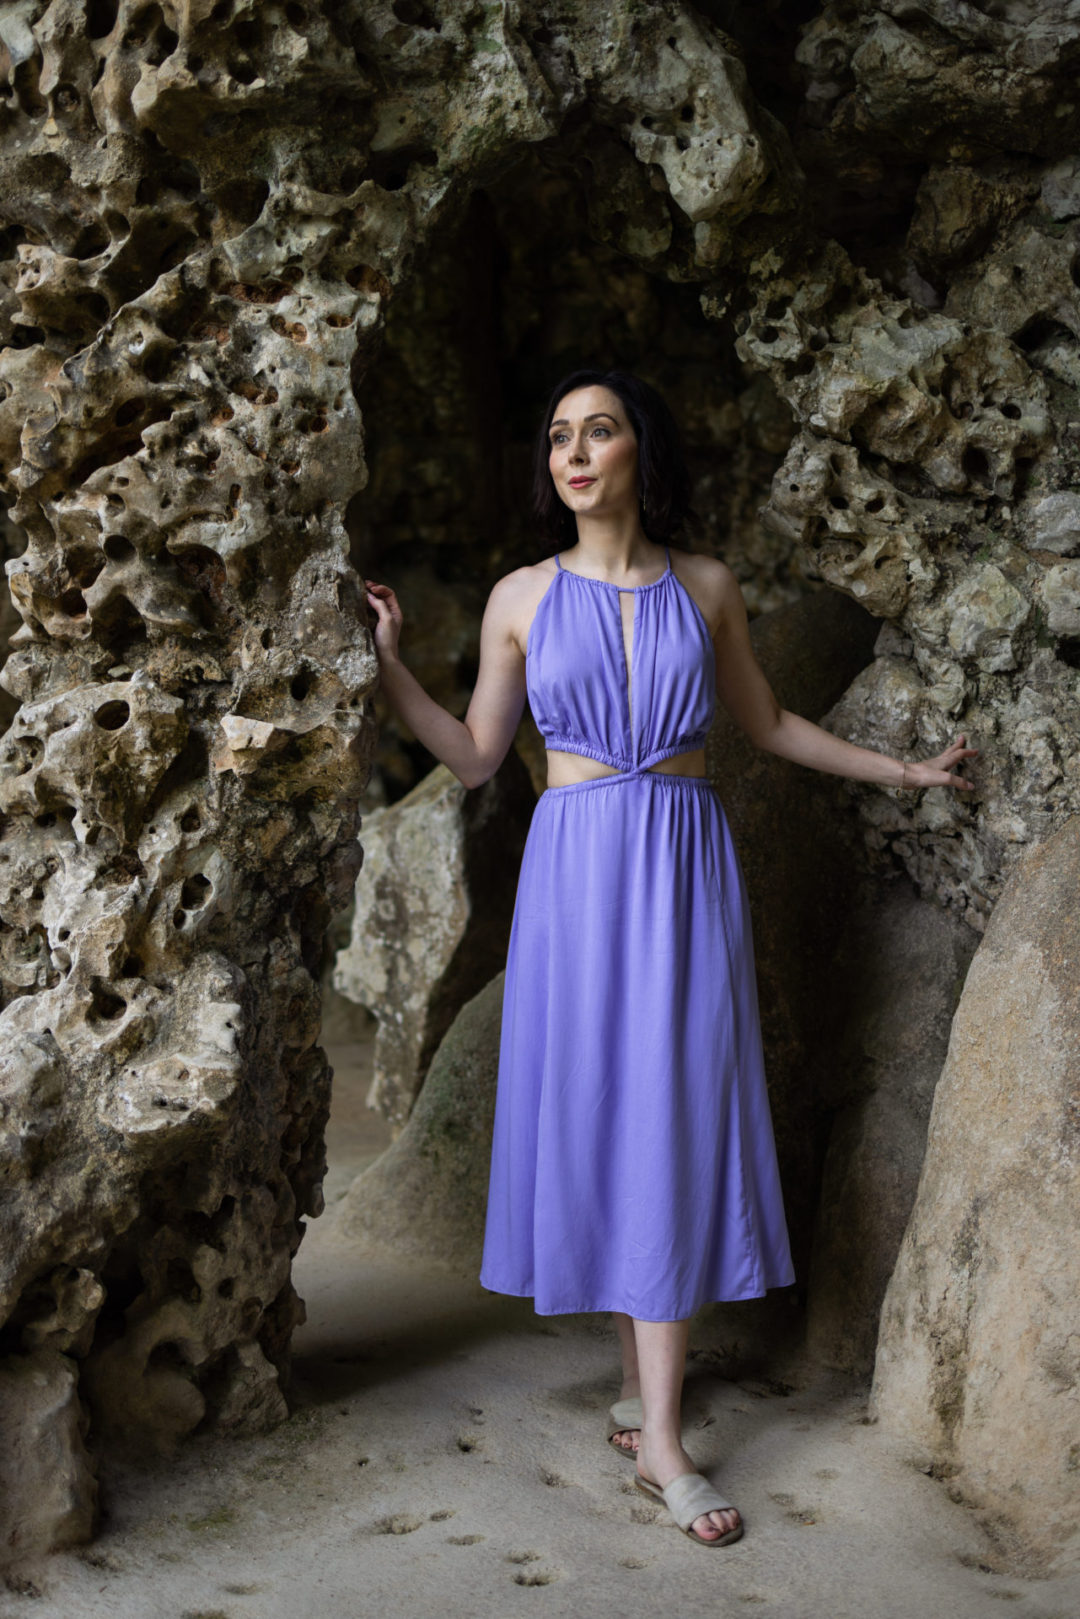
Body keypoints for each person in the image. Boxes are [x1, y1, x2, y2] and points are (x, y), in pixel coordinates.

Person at [362, 367, 978, 1549]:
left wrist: (904, 771)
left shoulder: (707, 586)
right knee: (609, 1110)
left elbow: (769, 724)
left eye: (598, 430)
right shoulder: (520, 596)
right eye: (558, 435)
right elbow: (480, 755)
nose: (573, 451)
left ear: (640, 447)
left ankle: (656, 1432)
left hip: (686, 869)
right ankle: (651, 1416)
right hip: (576, 874)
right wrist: (392, 664)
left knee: (673, 1112)